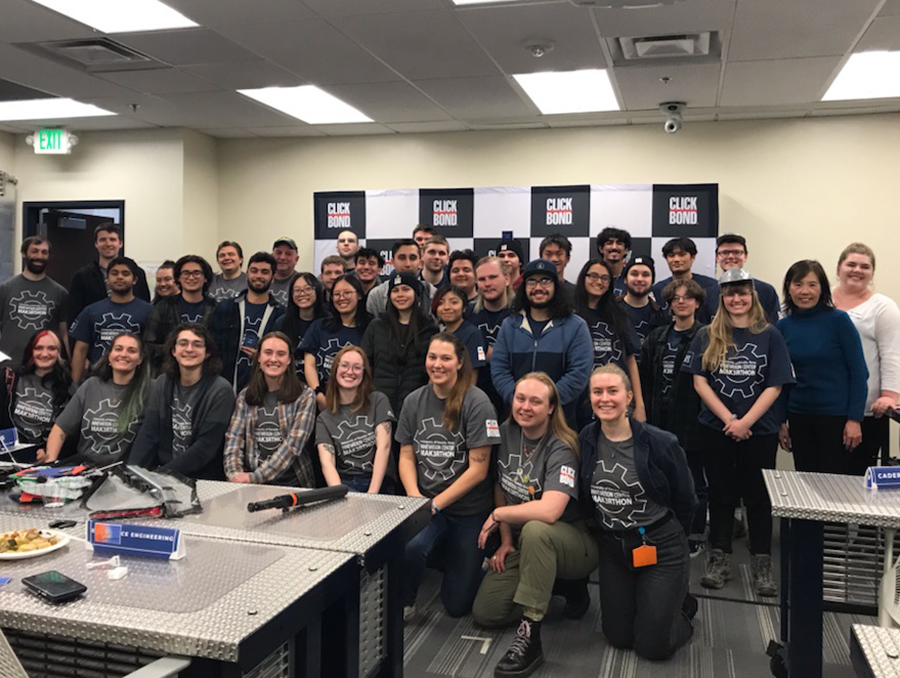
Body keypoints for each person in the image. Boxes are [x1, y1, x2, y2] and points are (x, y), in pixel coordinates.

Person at [473, 373, 598, 678]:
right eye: (520, 398)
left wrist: (499, 517)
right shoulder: (505, 433)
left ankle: (530, 637)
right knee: (487, 612)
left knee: (537, 528)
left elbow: (551, 510)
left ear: (552, 408)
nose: (525, 407)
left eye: (535, 401)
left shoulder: (563, 446)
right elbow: (501, 487)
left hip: (574, 543)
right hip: (526, 542)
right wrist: (505, 540)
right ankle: (553, 583)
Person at [683, 269, 793, 595]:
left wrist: (746, 423)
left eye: (742, 292)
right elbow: (699, 381)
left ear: (752, 296)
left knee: (758, 497)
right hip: (716, 428)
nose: (737, 299)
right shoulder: (707, 334)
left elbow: (775, 385)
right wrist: (729, 419)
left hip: (759, 431)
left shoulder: (770, 334)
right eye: (730, 293)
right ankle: (720, 557)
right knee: (720, 494)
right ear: (722, 298)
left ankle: (762, 563)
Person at [579, 363, 697, 661]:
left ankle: (680, 608)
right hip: (614, 548)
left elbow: (686, 500)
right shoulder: (586, 439)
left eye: (613, 391)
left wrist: (671, 535)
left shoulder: (660, 443)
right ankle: (659, 605)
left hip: (661, 547)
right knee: (618, 637)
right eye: (597, 392)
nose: (604, 398)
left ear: (629, 397)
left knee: (652, 646)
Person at [398, 332, 500, 619]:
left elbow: (479, 470)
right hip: (428, 503)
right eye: (433, 357)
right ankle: (405, 603)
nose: (437, 364)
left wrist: (434, 504)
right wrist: (415, 497)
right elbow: (406, 455)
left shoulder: (478, 402)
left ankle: (473, 563)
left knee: (456, 607)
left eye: (445, 358)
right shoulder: (413, 401)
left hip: (468, 511)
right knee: (411, 546)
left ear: (459, 363)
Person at [778, 260, 868, 474]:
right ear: (789, 288)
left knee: (834, 488)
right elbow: (781, 380)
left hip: (837, 419)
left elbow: (859, 373)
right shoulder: (783, 326)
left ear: (822, 288)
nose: (805, 291)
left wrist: (855, 419)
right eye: (798, 284)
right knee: (807, 485)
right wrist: (781, 422)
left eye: (812, 285)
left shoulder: (839, 321)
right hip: (799, 417)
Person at [640, 279, 707, 554]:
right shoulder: (656, 337)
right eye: (675, 298)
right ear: (668, 305)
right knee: (660, 475)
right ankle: (664, 529)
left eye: (687, 297)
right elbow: (644, 379)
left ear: (697, 302)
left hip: (692, 418)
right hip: (659, 416)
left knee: (694, 479)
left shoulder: (707, 335)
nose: (681, 302)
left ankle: (695, 533)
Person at [492, 259, 593, 424]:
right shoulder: (509, 326)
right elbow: (499, 370)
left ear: (556, 286)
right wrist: (521, 402)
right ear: (524, 287)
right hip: (516, 420)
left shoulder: (576, 326)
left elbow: (579, 373)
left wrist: (546, 402)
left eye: (545, 281)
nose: (538, 288)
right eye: (532, 281)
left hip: (561, 422)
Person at [129, 323, 235, 480]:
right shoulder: (162, 383)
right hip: (164, 473)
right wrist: (131, 473)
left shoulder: (221, 390)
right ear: (174, 351)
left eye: (197, 344)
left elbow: (205, 448)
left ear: (207, 353)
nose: (189, 349)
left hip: (202, 479)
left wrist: (160, 476)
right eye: (183, 343)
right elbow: (148, 435)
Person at [832, 243, 900, 473]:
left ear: (872, 273)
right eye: (851, 264)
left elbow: (892, 354)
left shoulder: (883, 307)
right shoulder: (820, 300)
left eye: (865, 266)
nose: (857, 270)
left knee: (855, 481)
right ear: (838, 268)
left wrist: (890, 395)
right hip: (823, 407)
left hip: (866, 411)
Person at [38, 332, 150, 465]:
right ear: (109, 355)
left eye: (131, 351)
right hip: (84, 469)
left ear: (140, 359)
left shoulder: (150, 390)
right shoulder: (91, 385)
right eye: (118, 349)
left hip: (123, 474)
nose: (124, 354)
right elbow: (61, 429)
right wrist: (50, 462)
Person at [223, 331, 317, 487]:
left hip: (293, 486)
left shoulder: (305, 396)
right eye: (268, 353)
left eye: (281, 354)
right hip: (250, 486)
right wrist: (235, 477)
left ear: (289, 360)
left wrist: (255, 477)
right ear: (259, 358)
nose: (273, 359)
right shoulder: (245, 396)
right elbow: (233, 440)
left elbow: (292, 447)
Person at [573, 258, 645, 425]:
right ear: (583, 278)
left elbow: (631, 360)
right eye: (593, 276)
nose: (599, 282)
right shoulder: (570, 315)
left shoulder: (619, 315)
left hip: (615, 397)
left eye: (605, 278)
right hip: (580, 399)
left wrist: (639, 404)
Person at [316, 346, 394, 493]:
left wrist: (372, 494)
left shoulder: (378, 400)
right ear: (335, 370)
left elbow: (384, 447)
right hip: (344, 483)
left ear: (364, 373)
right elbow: (327, 463)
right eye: (344, 366)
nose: (350, 372)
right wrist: (340, 495)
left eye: (357, 367)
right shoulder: (323, 418)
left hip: (378, 481)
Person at [360, 272, 437, 415]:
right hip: (378, 404)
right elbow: (365, 362)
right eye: (395, 291)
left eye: (406, 289)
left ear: (416, 293)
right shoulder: (377, 325)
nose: (400, 294)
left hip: (416, 406)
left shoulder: (429, 327)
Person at [69, 256, 153, 383]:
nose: (119, 277)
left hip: (135, 382)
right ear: (107, 279)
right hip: (98, 380)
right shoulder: (91, 311)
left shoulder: (149, 311)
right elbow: (80, 350)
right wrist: (73, 386)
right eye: (114, 273)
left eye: (125, 273)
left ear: (135, 279)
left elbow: (151, 351)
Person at [210, 252, 284, 392]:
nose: (258, 276)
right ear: (247, 274)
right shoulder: (226, 307)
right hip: (226, 386)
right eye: (254, 271)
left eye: (265, 272)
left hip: (266, 388)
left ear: (273, 278)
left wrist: (263, 356)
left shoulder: (280, 314)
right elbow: (213, 347)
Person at [0, 331, 73, 459]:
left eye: (52, 348)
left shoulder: (69, 389)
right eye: (38, 348)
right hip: (6, 455)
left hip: (41, 461)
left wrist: (47, 451)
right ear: (31, 351)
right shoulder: (9, 378)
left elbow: (68, 433)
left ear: (59, 353)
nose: (45, 354)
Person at [302, 274, 370, 410]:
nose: (342, 298)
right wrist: (318, 395)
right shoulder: (319, 326)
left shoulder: (371, 327)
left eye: (347, 293)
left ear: (360, 295)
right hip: (323, 399)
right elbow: (309, 363)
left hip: (359, 402)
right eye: (337, 294)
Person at [0, 236, 67, 369]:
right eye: (34, 251)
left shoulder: (60, 293)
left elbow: (64, 333)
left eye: (44, 252)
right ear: (24, 254)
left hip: (44, 366)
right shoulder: (5, 289)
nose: (39, 256)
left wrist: (66, 363)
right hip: (8, 366)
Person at [66, 223, 151, 329]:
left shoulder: (137, 273)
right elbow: (74, 315)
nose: (108, 243)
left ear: (120, 243)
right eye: (102, 240)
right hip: (95, 337)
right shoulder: (82, 276)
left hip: (131, 333)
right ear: (96, 244)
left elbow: (145, 307)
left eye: (112, 239)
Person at [143, 255, 217, 374]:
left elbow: (221, 346)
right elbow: (149, 345)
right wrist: (177, 349)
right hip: (168, 373)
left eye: (197, 273)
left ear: (205, 278)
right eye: (186, 273)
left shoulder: (216, 308)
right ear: (178, 278)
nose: (191, 277)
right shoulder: (163, 307)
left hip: (206, 374)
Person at [470, 256, 513, 413]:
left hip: (512, 397)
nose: (487, 284)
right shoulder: (468, 313)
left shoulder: (522, 314)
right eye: (482, 279)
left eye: (493, 277)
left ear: (507, 279)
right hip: (477, 398)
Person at [715, 234, 780, 324]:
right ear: (717, 258)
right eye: (725, 252)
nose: (730, 256)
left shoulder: (766, 291)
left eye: (737, 252)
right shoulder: (708, 292)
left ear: (745, 256)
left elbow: (773, 326)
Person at [651, 237, 719, 324]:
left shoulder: (711, 286)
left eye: (682, 254)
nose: (676, 259)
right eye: (671, 255)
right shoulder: (658, 289)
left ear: (693, 257)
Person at [366, 239, 436, 317]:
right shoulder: (377, 295)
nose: (408, 264)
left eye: (412, 258)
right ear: (392, 262)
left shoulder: (430, 292)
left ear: (420, 262)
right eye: (402, 258)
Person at [275, 273, 325, 376]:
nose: (302, 293)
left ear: (317, 291)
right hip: (289, 383)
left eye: (307, 289)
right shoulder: (282, 323)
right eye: (297, 290)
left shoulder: (327, 322)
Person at [618, 256, 668, 354]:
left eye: (645, 275)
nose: (640, 279)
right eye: (634, 274)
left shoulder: (661, 315)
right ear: (625, 279)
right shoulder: (612, 311)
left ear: (652, 280)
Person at [433, 286, 487, 373]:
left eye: (454, 302)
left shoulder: (472, 334)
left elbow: (472, 375)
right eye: (440, 303)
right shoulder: (439, 335)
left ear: (464, 307)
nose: (446, 307)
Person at [596, 226, 632, 296]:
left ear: (626, 250)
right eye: (609, 243)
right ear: (601, 249)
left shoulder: (631, 278)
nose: (614, 247)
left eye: (619, 243)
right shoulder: (591, 276)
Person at [270, 236, 299, 307]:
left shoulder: (302, 283)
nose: (282, 257)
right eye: (278, 253)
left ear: (296, 259)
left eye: (288, 254)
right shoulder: (262, 280)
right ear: (271, 256)